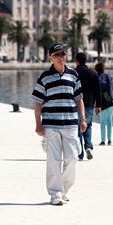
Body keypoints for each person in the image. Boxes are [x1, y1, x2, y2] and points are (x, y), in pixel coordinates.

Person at [32, 43, 87, 206]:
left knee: (72, 158)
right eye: (57, 55)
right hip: (51, 125)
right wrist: (38, 124)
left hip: (70, 123)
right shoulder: (44, 77)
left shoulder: (73, 75)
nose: (61, 57)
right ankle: (55, 193)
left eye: (63, 54)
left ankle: (64, 188)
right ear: (51, 58)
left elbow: (79, 98)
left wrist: (83, 118)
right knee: (54, 160)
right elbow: (37, 102)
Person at [74, 52, 101, 160]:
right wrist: (98, 105)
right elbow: (98, 91)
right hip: (90, 104)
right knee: (88, 125)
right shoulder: (93, 73)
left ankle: (80, 153)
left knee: (78, 128)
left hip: (76, 104)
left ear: (76, 61)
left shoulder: (74, 73)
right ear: (86, 60)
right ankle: (88, 146)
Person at [95, 62, 113, 145]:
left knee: (102, 121)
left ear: (96, 69)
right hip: (110, 101)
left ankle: (103, 140)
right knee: (109, 121)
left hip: (101, 102)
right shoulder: (110, 77)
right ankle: (110, 139)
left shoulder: (96, 77)